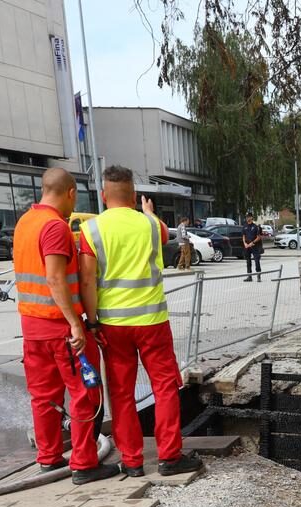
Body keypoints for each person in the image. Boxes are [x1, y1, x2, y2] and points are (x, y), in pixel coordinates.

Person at [77, 165, 203, 478]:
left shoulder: (92, 230)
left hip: (113, 325)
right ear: (134, 196)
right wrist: (148, 211)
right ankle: (170, 457)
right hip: (152, 322)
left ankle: (132, 461)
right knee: (164, 388)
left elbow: (88, 281)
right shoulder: (150, 225)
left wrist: (92, 322)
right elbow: (162, 230)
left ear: (103, 196)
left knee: (121, 393)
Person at [13, 167, 116, 484]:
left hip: (32, 329)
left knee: (44, 397)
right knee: (85, 393)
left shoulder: (25, 222)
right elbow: (55, 278)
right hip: (61, 330)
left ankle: (48, 457)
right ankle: (85, 463)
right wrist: (75, 323)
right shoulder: (54, 227)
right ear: (70, 193)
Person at [242, 214, 263, 281]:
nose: (247, 218)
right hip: (247, 246)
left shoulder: (255, 227)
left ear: (251, 218)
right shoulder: (244, 226)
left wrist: (252, 243)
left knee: (257, 261)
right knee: (248, 262)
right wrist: (244, 243)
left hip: (254, 246)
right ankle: (249, 276)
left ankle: (258, 276)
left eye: (249, 217)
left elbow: (259, 237)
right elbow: (243, 236)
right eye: (246, 217)